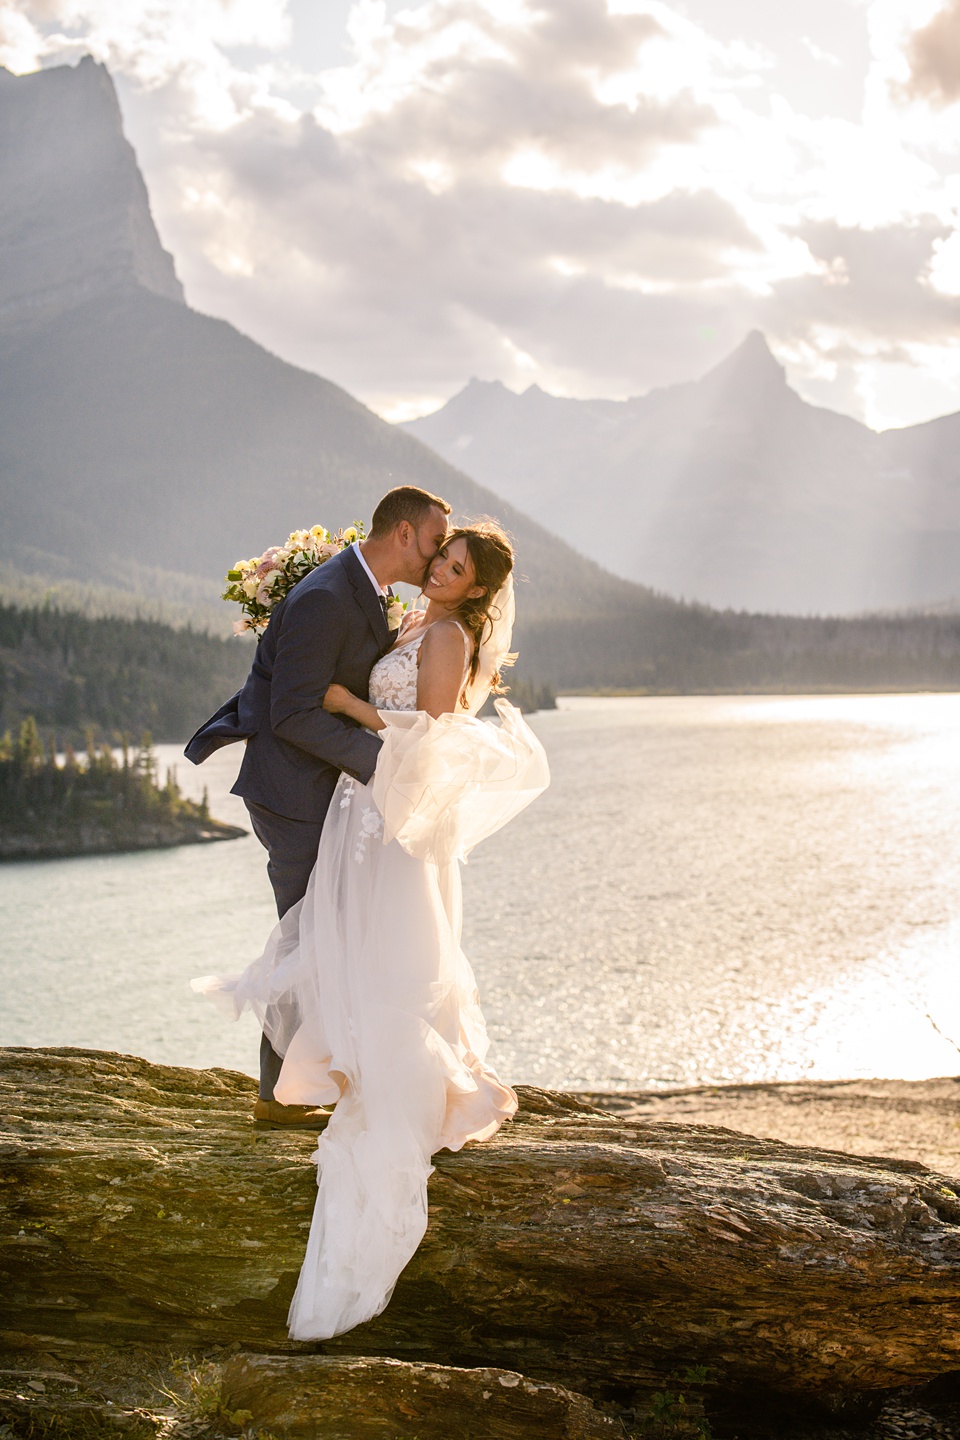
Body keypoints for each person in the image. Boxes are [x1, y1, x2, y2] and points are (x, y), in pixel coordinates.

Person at [194, 520, 549, 1340]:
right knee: (342, 937)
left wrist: (347, 702)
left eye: (455, 569)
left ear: (476, 588)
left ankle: (396, 1085)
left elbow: (430, 732)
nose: (441, 572)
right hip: (358, 801)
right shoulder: (414, 621)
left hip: (386, 809)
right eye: (442, 558)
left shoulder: (451, 636)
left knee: (389, 948)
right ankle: (341, 1068)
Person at [185, 485, 452, 1124]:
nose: (438, 559)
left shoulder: (361, 589)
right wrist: (382, 762)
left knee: (320, 935)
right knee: (307, 938)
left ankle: (301, 1084)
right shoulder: (327, 599)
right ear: (406, 535)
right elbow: (296, 713)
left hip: (322, 790)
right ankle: (278, 1097)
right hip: (293, 795)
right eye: (437, 542)